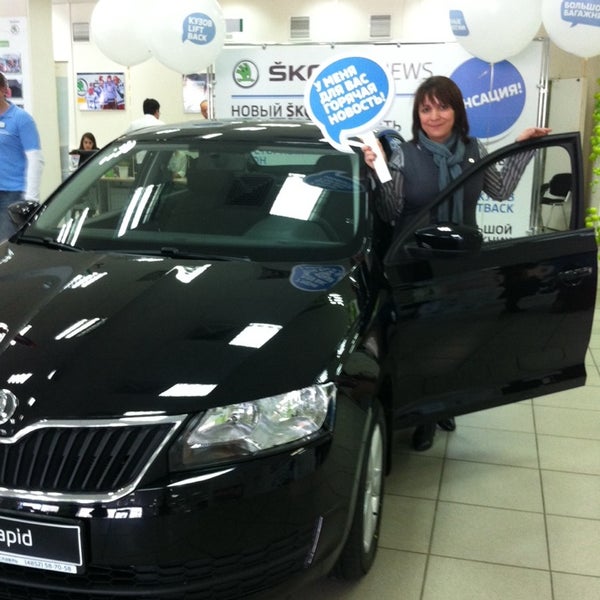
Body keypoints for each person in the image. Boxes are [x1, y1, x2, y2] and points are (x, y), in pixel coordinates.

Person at [363, 75, 551, 451]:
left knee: (457, 341)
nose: (434, 116)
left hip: (462, 263)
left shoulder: (473, 149)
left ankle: (445, 405)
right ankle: (422, 417)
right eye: (426, 108)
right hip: (417, 266)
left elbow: (501, 190)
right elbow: (390, 210)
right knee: (422, 346)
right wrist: (379, 169)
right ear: (418, 115)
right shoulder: (405, 155)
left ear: (457, 111)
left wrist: (522, 148)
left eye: (442, 107)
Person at [0, 71, 44, 240]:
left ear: (3, 90)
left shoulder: (21, 119)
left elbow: (35, 159)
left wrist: (31, 200)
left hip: (13, 194)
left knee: (5, 245)